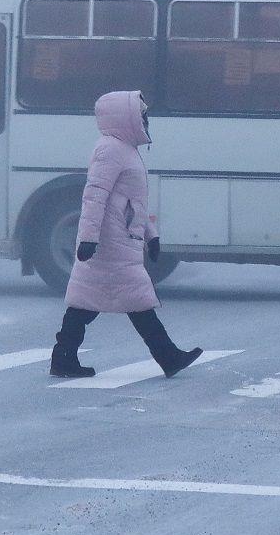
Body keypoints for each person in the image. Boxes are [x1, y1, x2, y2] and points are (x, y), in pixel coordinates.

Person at [49, 89, 203, 380]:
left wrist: (151, 235)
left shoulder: (123, 149)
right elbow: (95, 195)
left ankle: (64, 357)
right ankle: (168, 357)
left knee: (90, 302)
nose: (145, 118)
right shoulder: (110, 149)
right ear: (125, 116)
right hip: (110, 243)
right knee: (134, 301)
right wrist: (88, 238)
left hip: (119, 240)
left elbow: (131, 203)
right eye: (141, 113)